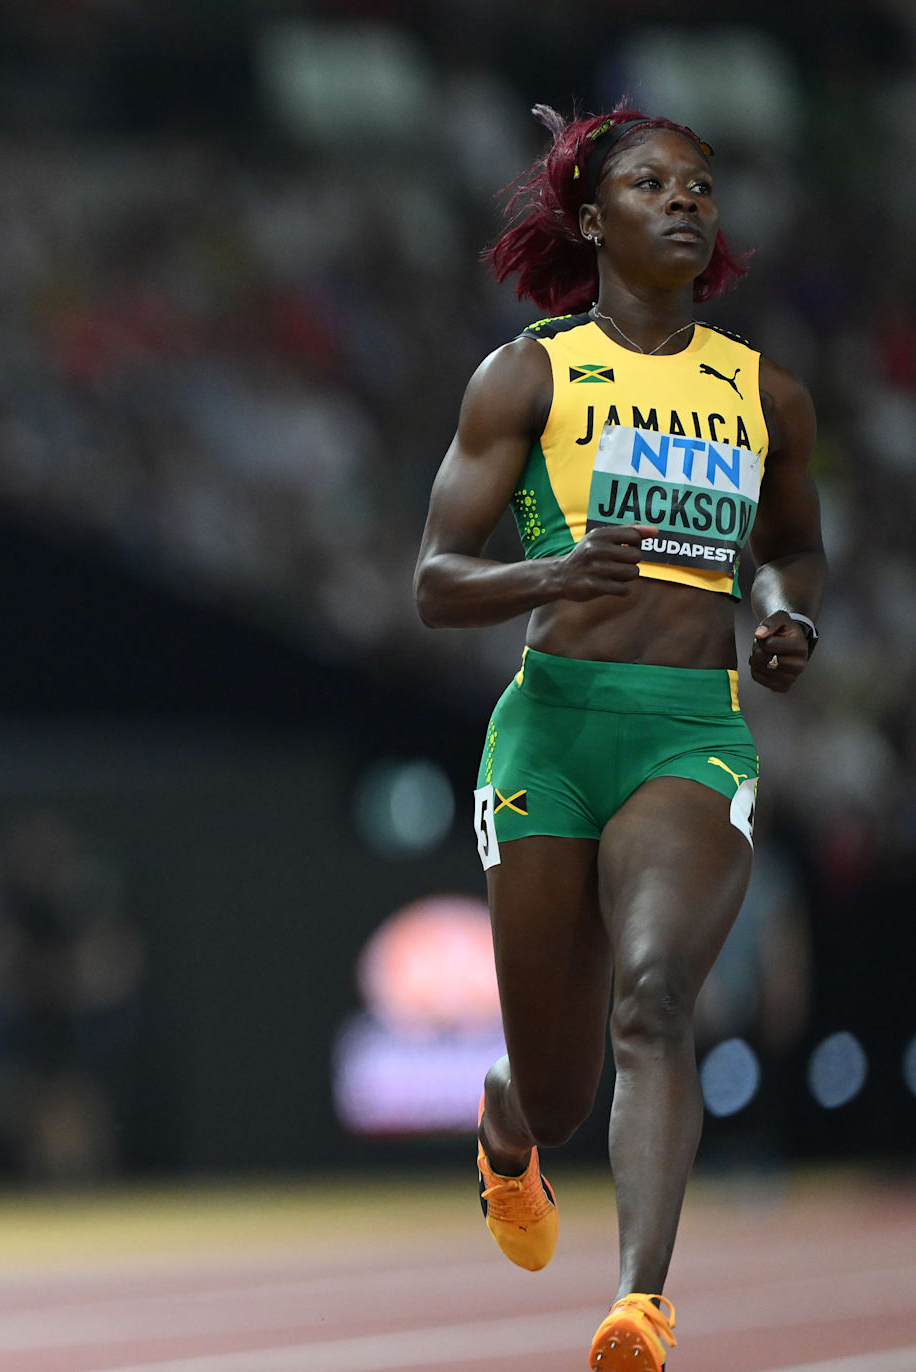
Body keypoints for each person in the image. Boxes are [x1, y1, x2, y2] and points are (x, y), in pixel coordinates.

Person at [413, 107, 824, 1371]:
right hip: (550, 731)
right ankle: (505, 1121)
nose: (684, 201)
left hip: (689, 734)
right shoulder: (526, 374)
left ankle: (639, 1305)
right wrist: (549, 573)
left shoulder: (765, 392)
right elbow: (433, 580)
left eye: (700, 184)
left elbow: (791, 546)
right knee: (557, 1092)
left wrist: (780, 611)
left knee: (653, 1001)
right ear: (592, 222)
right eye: (650, 184)